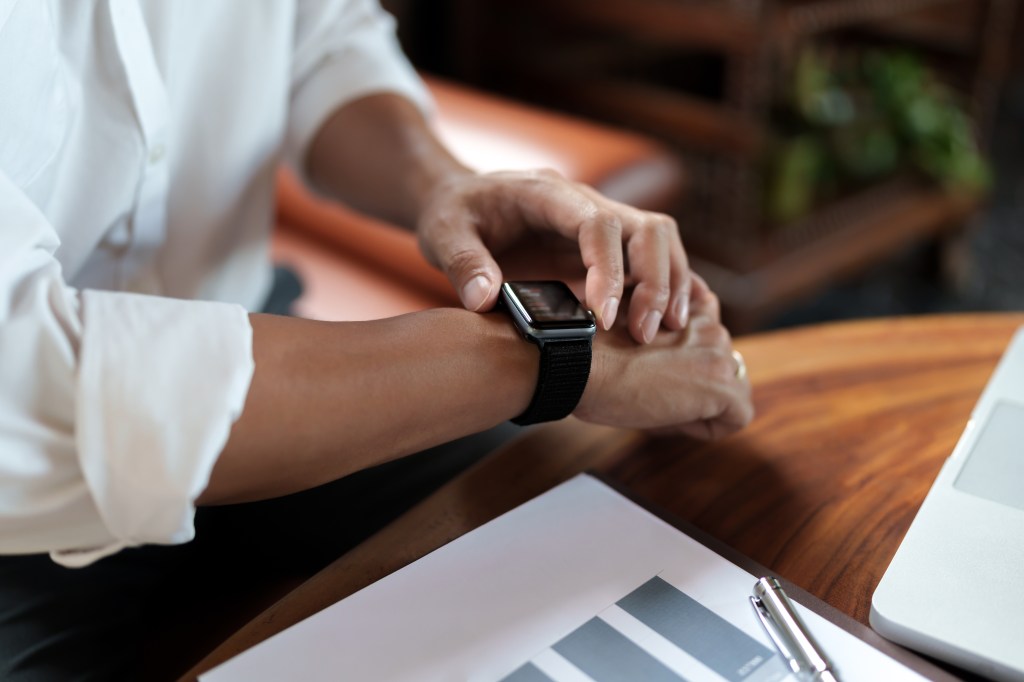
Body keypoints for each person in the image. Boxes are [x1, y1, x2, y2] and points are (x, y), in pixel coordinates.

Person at [0, 0, 753, 679]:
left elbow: (319, 45)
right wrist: (548, 359)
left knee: (630, 522)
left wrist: (440, 186)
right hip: (18, 516)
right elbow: (21, 375)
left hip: (270, 361)